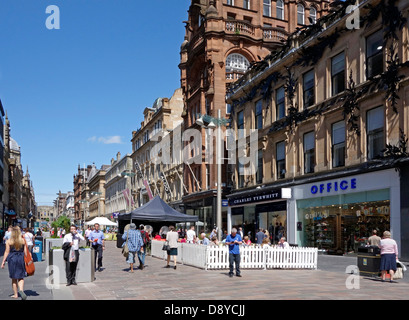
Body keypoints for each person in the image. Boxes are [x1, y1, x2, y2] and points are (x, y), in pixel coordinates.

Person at [1, 227, 27, 300]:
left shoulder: (9, 241)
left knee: (14, 277)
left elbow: (6, 252)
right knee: (21, 277)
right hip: (20, 258)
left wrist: (3, 261)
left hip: (12, 259)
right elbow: (26, 253)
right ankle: (21, 290)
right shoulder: (23, 240)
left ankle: (16, 295)